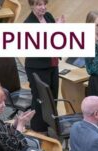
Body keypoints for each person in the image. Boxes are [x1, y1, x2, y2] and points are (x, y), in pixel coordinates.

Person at [24, 0, 64, 134]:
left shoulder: (48, 17)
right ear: (31, 6)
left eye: (44, 4)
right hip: (37, 67)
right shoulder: (29, 23)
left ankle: (50, 126)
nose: (43, 7)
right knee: (40, 99)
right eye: (39, 4)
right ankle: (38, 130)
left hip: (52, 64)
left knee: (52, 97)